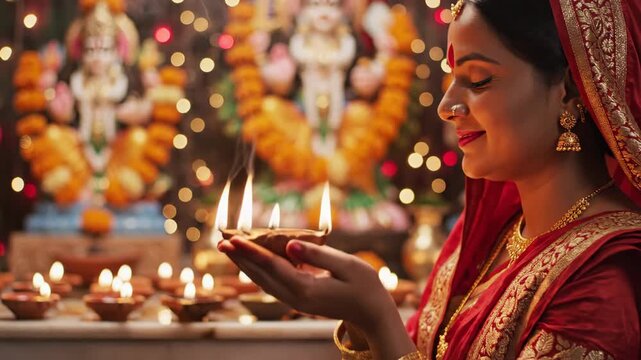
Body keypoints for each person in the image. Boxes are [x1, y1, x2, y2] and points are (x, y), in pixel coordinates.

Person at [217, 0, 641, 358]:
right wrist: (362, 318)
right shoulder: (492, 236)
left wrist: (377, 317)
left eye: (478, 80)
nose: (447, 105)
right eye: (451, 79)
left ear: (570, 88)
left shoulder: (600, 288)